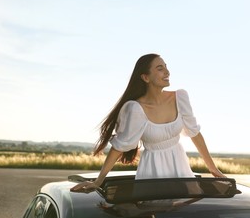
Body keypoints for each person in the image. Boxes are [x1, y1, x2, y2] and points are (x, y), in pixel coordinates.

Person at [71, 53, 225, 193]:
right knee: (154, 215)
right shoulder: (135, 109)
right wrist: (99, 181)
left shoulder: (180, 98)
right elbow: (120, 146)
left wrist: (213, 169)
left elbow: (195, 134)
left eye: (166, 67)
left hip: (180, 166)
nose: (167, 72)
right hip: (152, 171)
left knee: (187, 212)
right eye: (160, 68)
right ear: (146, 78)